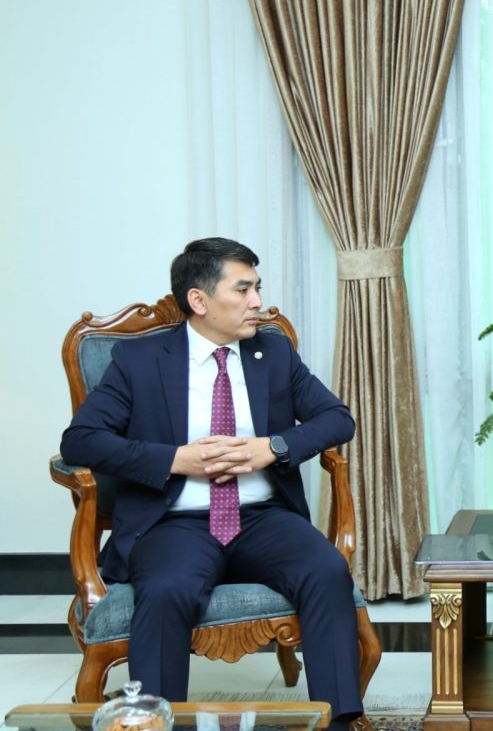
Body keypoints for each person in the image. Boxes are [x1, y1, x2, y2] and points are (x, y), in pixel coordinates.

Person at [61, 238, 364, 729]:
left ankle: (339, 721)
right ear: (199, 300)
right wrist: (176, 459)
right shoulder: (139, 360)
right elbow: (80, 441)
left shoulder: (273, 351)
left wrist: (273, 447)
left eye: (257, 288)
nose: (257, 302)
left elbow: (337, 419)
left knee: (326, 569)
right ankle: (154, 722)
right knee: (166, 589)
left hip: (264, 518)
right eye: (242, 289)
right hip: (174, 522)